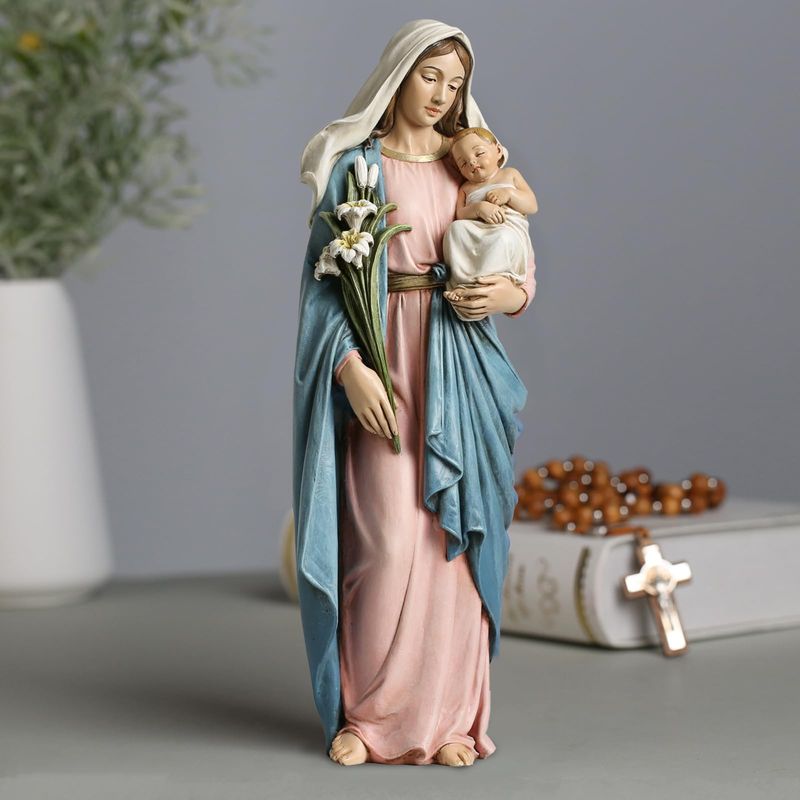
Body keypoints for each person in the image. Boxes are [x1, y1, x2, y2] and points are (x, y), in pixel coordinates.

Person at [293, 19, 536, 767]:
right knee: (385, 542)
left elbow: (516, 253)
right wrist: (349, 367)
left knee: (448, 543)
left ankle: (450, 720)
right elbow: (323, 284)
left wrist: (510, 295)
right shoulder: (359, 168)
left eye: (455, 83)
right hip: (384, 359)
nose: (442, 95)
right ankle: (367, 719)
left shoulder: (470, 164)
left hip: (457, 361)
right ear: (400, 73)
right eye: (431, 76)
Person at [443, 127, 539, 321]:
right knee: (455, 229)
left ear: (498, 150)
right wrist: (479, 208)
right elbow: (461, 214)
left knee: (502, 238)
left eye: (479, 153)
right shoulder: (466, 188)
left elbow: (532, 205)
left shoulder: (510, 175)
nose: (472, 162)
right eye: (463, 163)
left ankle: (483, 286)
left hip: (507, 229)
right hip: (478, 232)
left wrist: (509, 194)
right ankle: (463, 284)